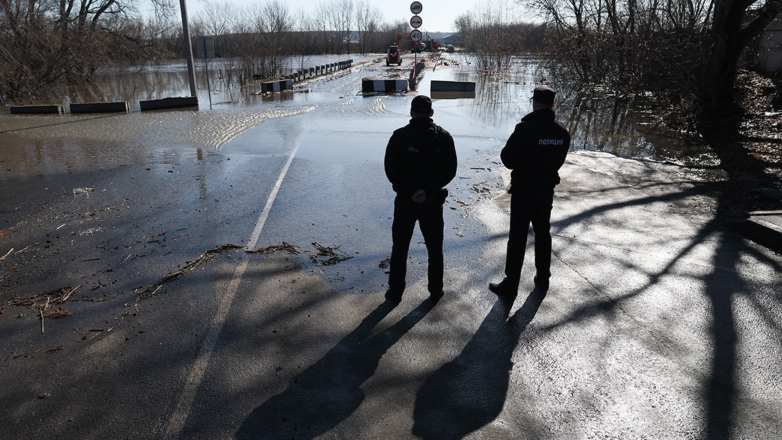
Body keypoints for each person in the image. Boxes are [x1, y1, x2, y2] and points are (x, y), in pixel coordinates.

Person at [489, 86, 570, 295]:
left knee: (518, 237)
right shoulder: (562, 132)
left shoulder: (524, 129)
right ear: (553, 104)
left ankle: (511, 284)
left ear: (534, 104)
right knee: (543, 233)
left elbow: (507, 160)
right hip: (545, 191)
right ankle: (543, 278)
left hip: (523, 191)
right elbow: (558, 161)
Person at [384, 95, 457, 302]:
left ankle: (395, 293)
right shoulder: (444, 137)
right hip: (432, 202)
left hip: (406, 202)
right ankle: (435, 290)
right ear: (431, 113)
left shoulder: (399, 137)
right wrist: (428, 190)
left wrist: (410, 192)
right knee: (435, 249)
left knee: (400, 248)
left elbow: (391, 170)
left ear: (411, 112)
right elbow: (449, 170)